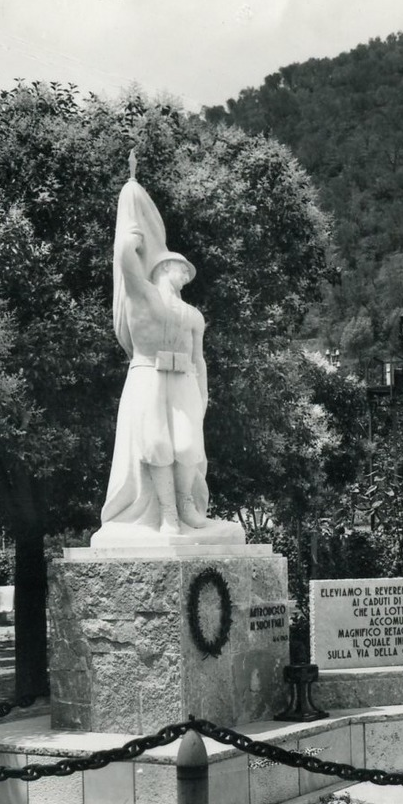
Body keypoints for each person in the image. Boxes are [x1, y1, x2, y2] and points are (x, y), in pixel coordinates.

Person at [90, 160, 242, 546]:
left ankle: (187, 507)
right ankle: (168, 515)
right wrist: (130, 233)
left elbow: (200, 358)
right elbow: (125, 264)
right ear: (165, 267)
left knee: (189, 446)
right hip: (149, 374)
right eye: (181, 269)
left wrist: (203, 397)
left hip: (184, 380)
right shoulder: (146, 297)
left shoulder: (193, 314)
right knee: (155, 443)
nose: (185, 276)